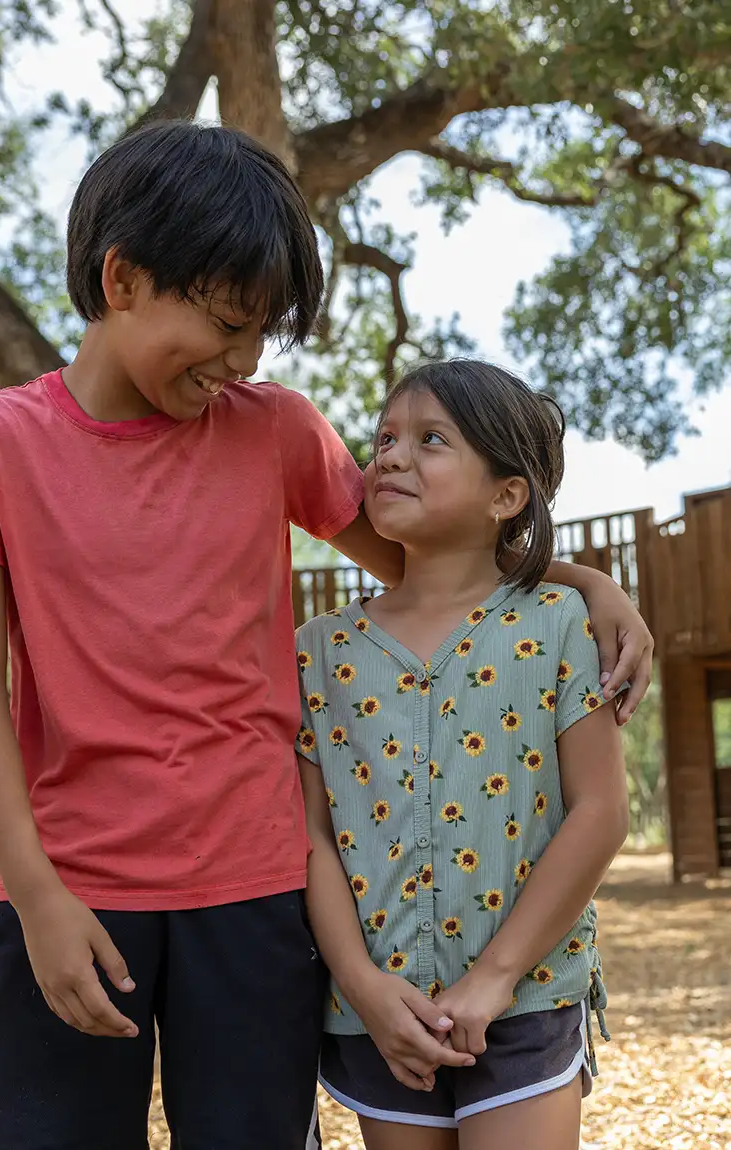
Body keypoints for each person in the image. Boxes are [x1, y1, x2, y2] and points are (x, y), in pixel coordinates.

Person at [0, 122, 648, 1150]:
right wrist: (31, 891)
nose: (242, 360)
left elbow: (430, 562)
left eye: (261, 336)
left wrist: (582, 580)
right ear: (123, 278)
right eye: (225, 323)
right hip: (71, 885)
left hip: (255, 893)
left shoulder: (274, 428)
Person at [297, 359, 631, 1150]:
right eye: (383, 438)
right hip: (379, 1017)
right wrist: (362, 986)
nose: (389, 456)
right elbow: (308, 836)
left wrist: (495, 977)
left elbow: (602, 811)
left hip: (527, 999)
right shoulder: (319, 649)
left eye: (430, 439)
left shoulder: (558, 623)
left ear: (507, 495)